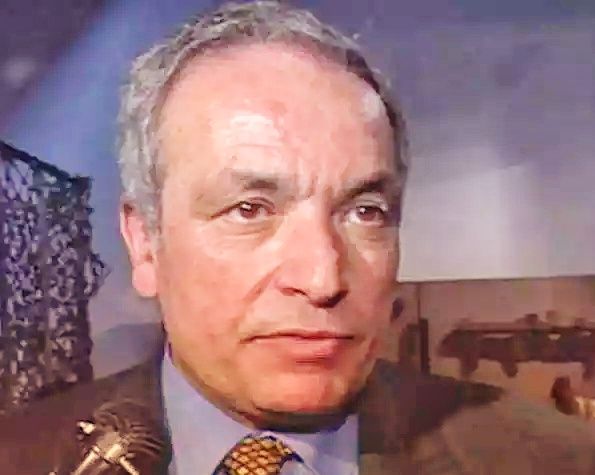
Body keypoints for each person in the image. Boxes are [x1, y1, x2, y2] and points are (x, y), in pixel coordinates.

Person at [2, 2, 595, 474]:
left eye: (365, 211)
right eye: (250, 209)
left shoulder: (557, 460)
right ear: (145, 242)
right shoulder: (21, 457)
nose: (323, 278)